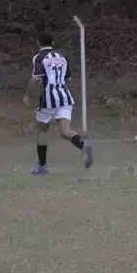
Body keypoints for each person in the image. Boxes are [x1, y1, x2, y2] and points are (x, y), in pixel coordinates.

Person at [24, 33, 93, 174]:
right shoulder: (62, 57)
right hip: (65, 97)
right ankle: (83, 145)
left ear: (38, 42)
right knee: (65, 131)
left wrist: (27, 95)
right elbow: (67, 77)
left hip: (48, 98)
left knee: (42, 130)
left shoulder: (39, 57)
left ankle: (42, 166)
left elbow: (36, 78)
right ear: (53, 42)